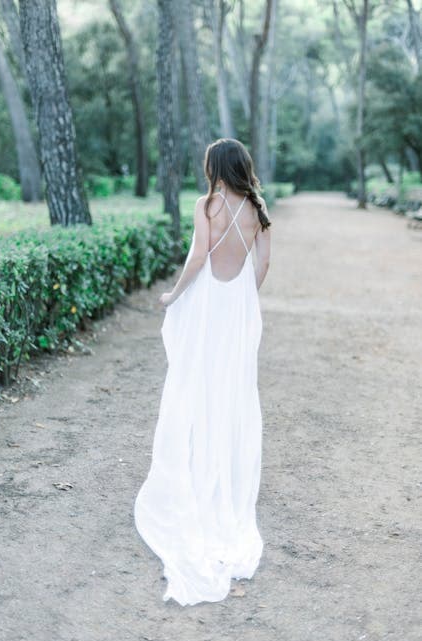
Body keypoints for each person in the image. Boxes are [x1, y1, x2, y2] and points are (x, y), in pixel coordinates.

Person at [134, 138, 271, 606]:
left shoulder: (206, 204)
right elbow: (263, 262)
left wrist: (174, 296)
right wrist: (244, 303)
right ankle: (223, 467)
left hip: (210, 303)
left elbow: (198, 258)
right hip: (237, 307)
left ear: (215, 166)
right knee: (233, 389)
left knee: (198, 383)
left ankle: (199, 463)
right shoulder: (257, 206)